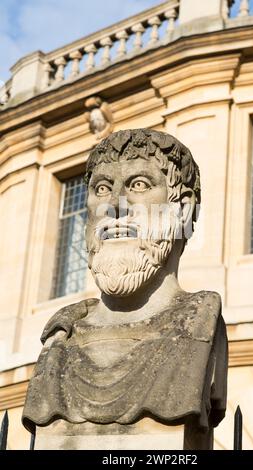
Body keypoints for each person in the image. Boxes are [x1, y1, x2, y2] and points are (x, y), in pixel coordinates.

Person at [22, 129, 227, 449]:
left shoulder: (200, 323)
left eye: (139, 185)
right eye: (102, 189)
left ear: (183, 209)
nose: (114, 206)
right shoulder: (60, 336)